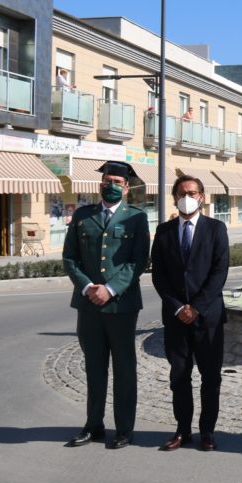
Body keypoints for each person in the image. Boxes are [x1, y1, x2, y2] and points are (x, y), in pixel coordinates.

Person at [62, 161, 149, 450]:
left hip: (121, 306)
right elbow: (70, 258)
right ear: (100, 184)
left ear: (126, 187)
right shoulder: (83, 216)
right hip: (88, 306)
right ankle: (93, 425)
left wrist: (110, 290)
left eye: (116, 181)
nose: (110, 185)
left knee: (124, 369)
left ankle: (124, 428)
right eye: (106, 180)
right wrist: (88, 287)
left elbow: (138, 262)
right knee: (94, 368)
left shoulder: (136, 218)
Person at [151, 175, 230, 452]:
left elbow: (220, 272)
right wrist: (178, 307)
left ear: (202, 197)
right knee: (179, 376)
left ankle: (207, 431)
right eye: (183, 192)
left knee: (211, 377)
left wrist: (196, 307)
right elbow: (159, 276)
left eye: (193, 192)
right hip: (175, 319)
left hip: (207, 318)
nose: (188, 196)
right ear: (174, 197)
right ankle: (182, 430)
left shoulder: (216, 229)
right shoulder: (163, 232)